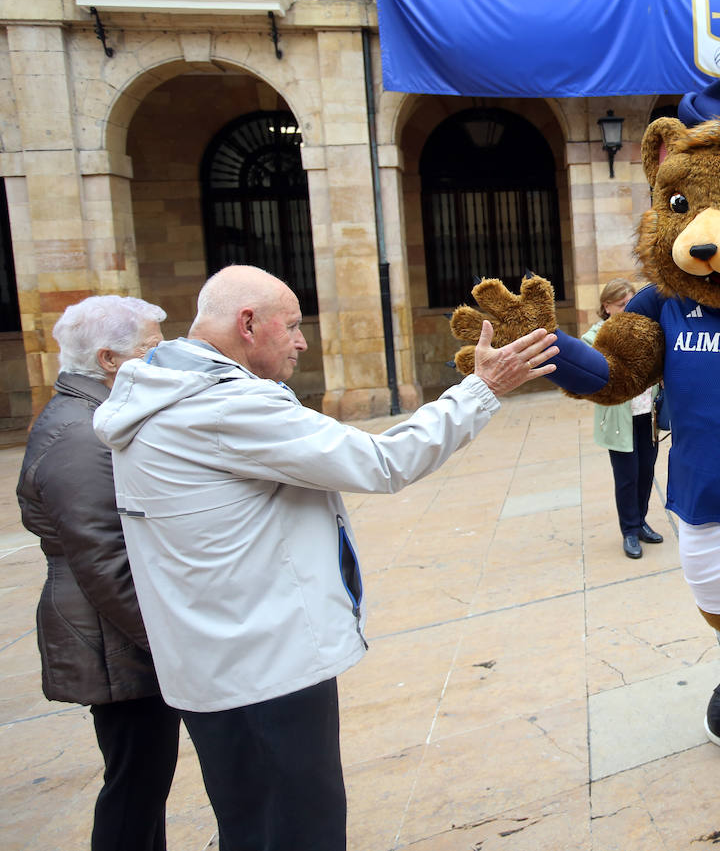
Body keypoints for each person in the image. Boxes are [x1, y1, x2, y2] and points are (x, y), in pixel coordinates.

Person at [91, 265, 558, 851]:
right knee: (296, 828)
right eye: (291, 326)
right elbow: (382, 462)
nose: (302, 341)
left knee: (254, 824)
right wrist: (480, 390)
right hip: (262, 668)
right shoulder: (219, 407)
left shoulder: (170, 388)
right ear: (248, 323)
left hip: (224, 658)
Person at [17, 295, 179, 851]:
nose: (162, 361)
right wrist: (170, 643)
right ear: (110, 360)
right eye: (151, 350)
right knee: (135, 782)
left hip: (120, 638)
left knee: (144, 778)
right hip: (114, 642)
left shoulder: (92, 416)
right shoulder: (80, 434)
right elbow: (104, 561)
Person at [584, 278, 663, 559]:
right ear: (606, 307)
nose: (629, 309)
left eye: (631, 303)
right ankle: (629, 531)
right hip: (619, 420)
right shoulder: (594, 337)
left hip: (646, 415)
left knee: (646, 473)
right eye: (622, 305)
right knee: (627, 477)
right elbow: (592, 376)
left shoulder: (646, 331)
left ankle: (641, 522)